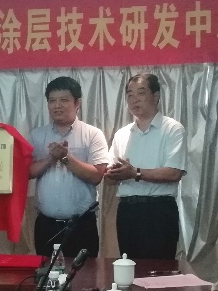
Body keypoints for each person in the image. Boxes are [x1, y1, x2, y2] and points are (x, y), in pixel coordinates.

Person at [105, 73, 186, 260]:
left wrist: (134, 173)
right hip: (127, 211)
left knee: (160, 270)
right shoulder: (122, 134)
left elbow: (174, 173)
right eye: (130, 95)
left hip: (158, 211)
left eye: (141, 93)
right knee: (129, 266)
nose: (134, 100)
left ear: (156, 96)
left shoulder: (172, 129)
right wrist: (113, 174)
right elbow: (109, 181)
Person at [27, 76, 108, 258]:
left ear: (77, 103)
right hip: (46, 225)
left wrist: (66, 158)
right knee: (46, 274)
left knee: (84, 274)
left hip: (81, 225)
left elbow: (97, 176)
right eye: (52, 101)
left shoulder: (92, 134)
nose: (57, 106)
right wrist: (50, 159)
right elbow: (27, 172)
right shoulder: (37, 135)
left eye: (64, 100)